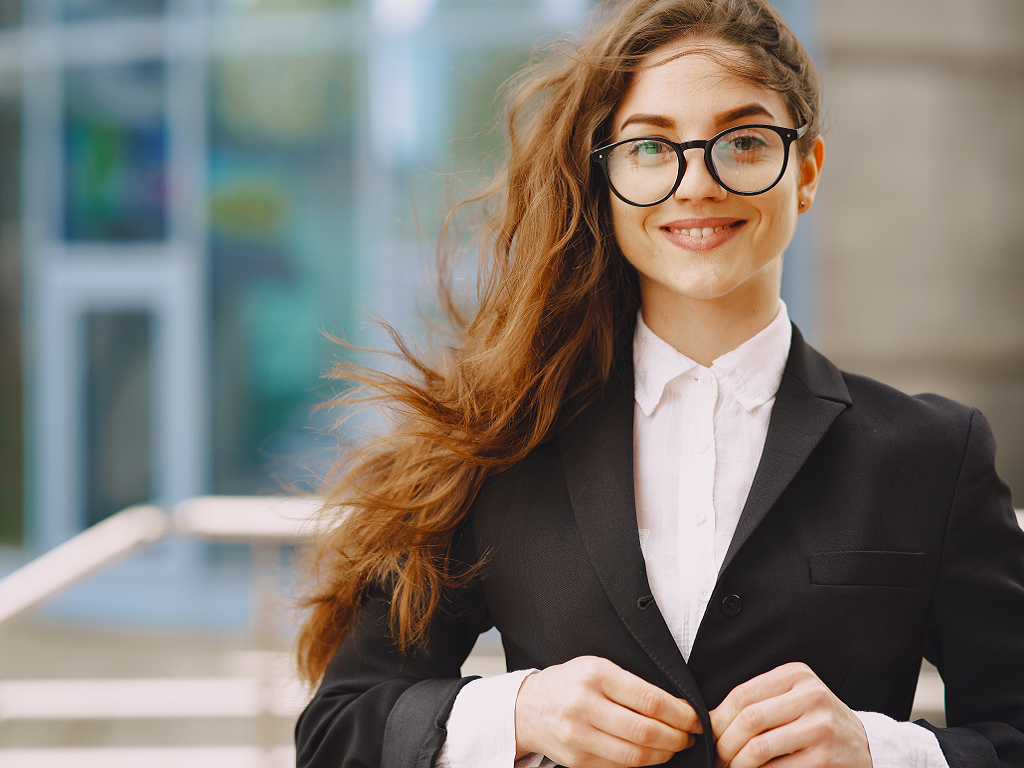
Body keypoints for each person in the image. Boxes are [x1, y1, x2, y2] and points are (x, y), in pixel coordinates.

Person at [294, 1, 1024, 766]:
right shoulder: (504, 440)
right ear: (607, 180)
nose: (697, 183)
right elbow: (339, 729)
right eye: (650, 147)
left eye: (742, 141)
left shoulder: (935, 456)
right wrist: (519, 712)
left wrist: (880, 752)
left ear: (805, 172)